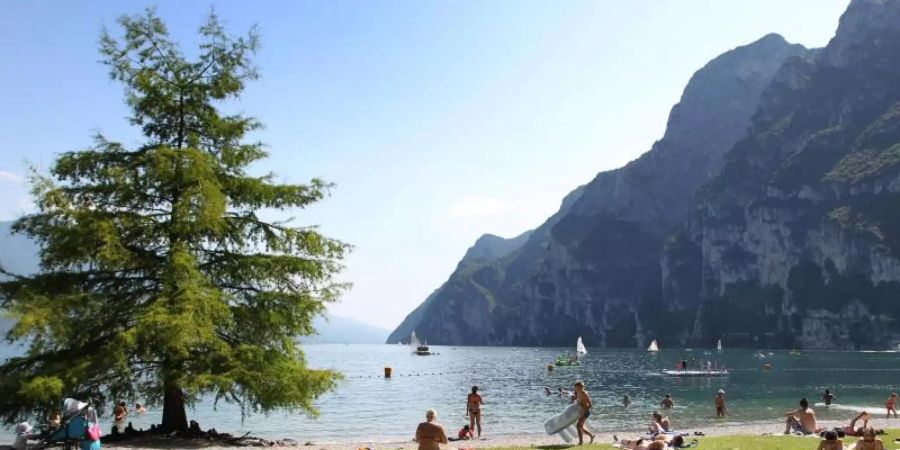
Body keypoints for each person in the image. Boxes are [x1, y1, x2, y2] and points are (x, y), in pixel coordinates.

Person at [573, 381, 594, 445]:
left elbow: (590, 405)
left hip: (585, 412)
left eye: (578, 387)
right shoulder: (576, 392)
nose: (576, 388)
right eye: (575, 387)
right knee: (580, 427)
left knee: (578, 426)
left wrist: (584, 411)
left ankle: (581, 442)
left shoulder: (585, 394)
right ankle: (591, 436)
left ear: (582, 387)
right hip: (580, 412)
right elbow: (576, 399)